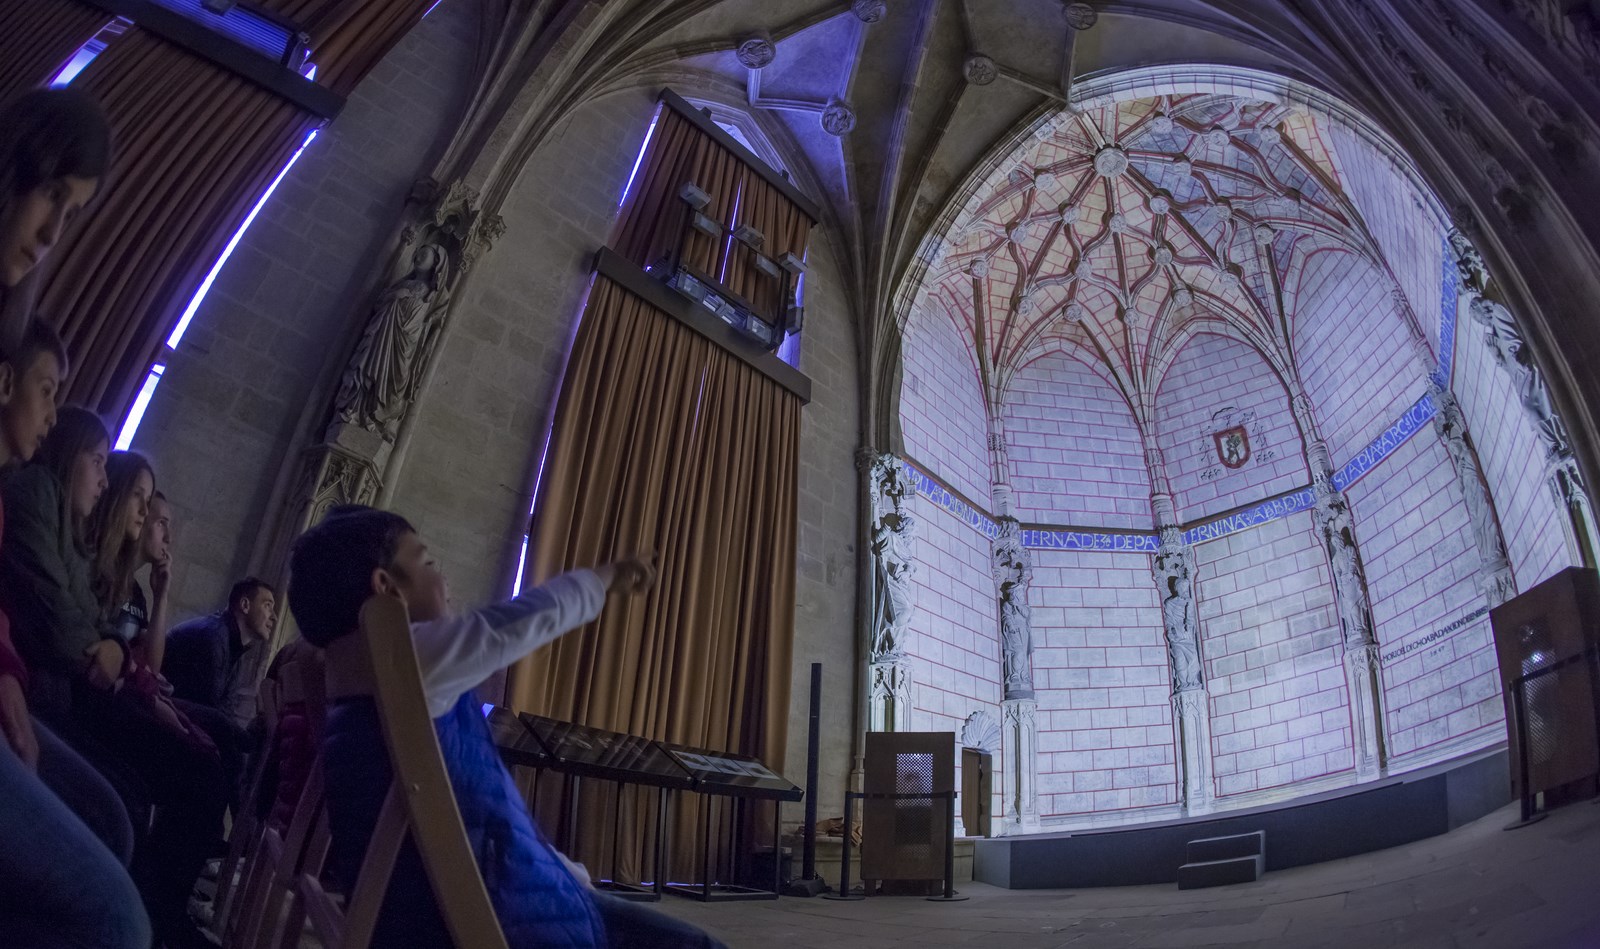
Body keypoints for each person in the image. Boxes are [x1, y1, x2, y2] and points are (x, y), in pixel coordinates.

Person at [289, 505, 726, 949]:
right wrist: (604, 578)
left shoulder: (346, 683)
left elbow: (486, 820)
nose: (443, 579)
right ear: (387, 589)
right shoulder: (402, 659)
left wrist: (565, 872)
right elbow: (511, 625)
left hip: (445, 909)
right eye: (427, 562)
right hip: (512, 919)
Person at [1, 406, 224, 949]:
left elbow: (114, 643)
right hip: (58, 696)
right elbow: (66, 622)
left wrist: (128, 649)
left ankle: (160, 916)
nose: (153, 521)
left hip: (54, 689)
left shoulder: (68, 533)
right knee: (129, 810)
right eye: (144, 505)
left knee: (213, 756)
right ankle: (155, 920)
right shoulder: (35, 496)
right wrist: (113, 661)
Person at [0, 321, 149, 948]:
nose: (108, 481)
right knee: (116, 916)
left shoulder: (45, 513)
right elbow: (65, 625)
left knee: (119, 814)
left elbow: (88, 611)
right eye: (46, 390)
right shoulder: (32, 490)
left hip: (32, 689)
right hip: (47, 693)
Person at [165, 576, 275, 733]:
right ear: (245, 605)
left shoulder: (233, 645)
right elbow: (209, 709)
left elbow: (224, 708)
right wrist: (245, 738)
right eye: (268, 606)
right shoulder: (214, 636)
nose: (274, 616)